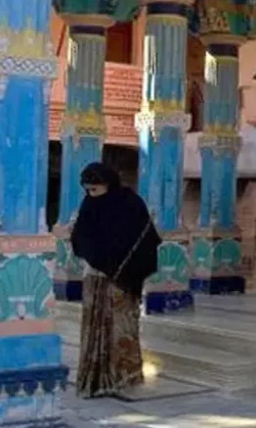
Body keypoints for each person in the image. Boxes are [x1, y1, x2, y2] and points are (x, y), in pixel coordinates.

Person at [71, 162, 160, 399]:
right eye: (88, 191)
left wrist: (121, 266)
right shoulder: (89, 205)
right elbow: (80, 237)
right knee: (95, 329)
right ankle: (96, 380)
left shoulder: (129, 204)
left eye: (96, 190)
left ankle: (122, 379)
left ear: (108, 185)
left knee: (121, 330)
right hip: (96, 277)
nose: (91, 196)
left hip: (122, 281)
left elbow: (147, 240)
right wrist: (96, 257)